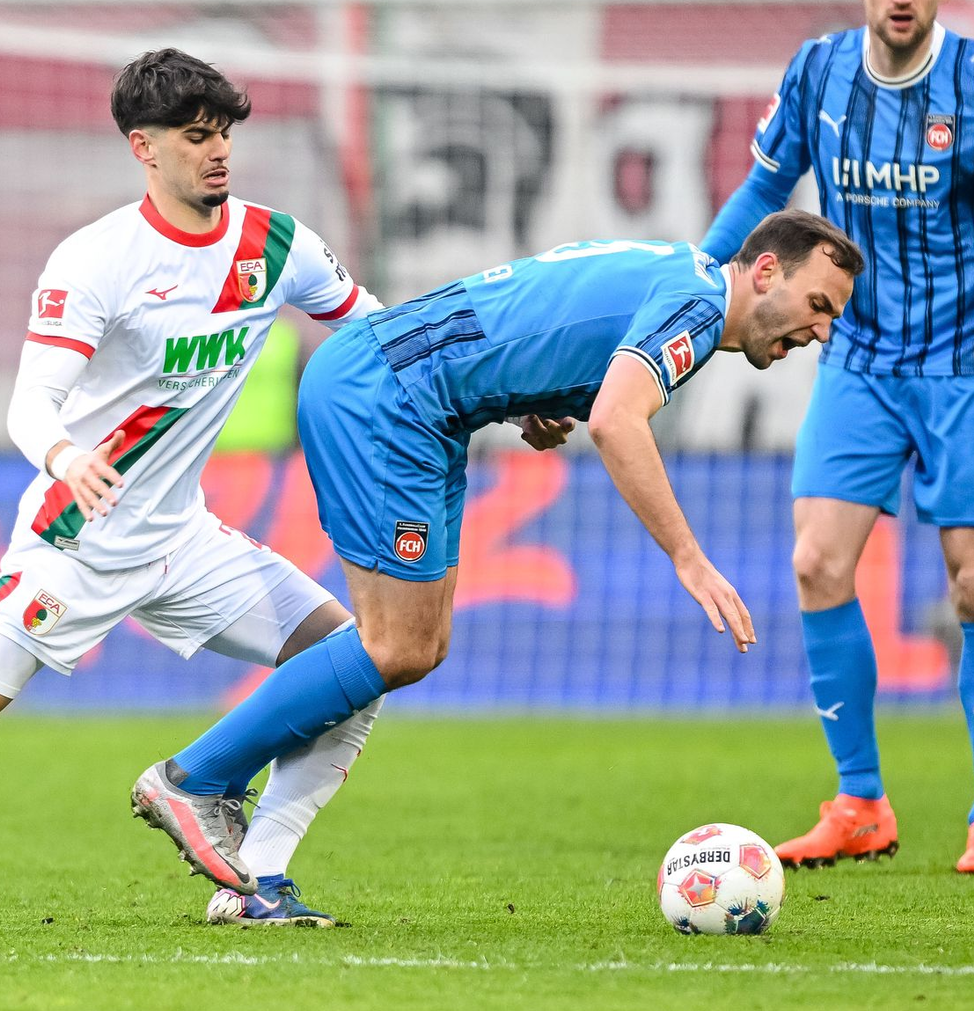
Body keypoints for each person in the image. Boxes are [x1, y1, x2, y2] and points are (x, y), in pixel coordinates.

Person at [0, 48, 391, 928]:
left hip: (183, 540)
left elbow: (385, 333)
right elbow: (32, 401)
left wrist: (509, 400)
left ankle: (254, 884)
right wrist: (65, 455)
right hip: (80, 540)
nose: (216, 153)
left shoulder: (277, 245)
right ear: (143, 146)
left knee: (356, 667)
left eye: (223, 135)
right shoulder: (98, 258)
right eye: (193, 136)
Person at [127, 210, 864, 897]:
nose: (821, 331)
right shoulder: (700, 307)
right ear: (765, 271)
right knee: (396, 643)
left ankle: (253, 871)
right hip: (389, 398)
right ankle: (198, 777)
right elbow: (616, 420)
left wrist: (521, 391)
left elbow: (538, 298)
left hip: (416, 399)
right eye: (820, 305)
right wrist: (688, 556)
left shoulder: (678, 269)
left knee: (417, 646)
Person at [699, 0, 974, 874]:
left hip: (961, 365)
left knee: (973, 583)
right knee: (817, 563)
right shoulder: (817, 72)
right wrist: (697, 278)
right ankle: (861, 800)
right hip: (855, 357)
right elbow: (764, 192)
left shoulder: (971, 88)